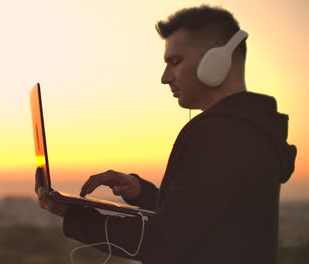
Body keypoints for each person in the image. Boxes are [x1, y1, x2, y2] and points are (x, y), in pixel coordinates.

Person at [35, 5, 297, 264]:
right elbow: (203, 222)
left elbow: (165, 243)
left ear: (217, 60)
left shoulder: (219, 132)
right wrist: (142, 193)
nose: (165, 77)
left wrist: (74, 217)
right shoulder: (248, 130)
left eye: (175, 61)